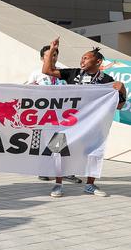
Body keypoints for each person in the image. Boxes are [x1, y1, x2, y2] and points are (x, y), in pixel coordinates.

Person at [42, 38, 127, 198]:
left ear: (98, 61)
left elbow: (119, 106)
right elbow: (47, 71)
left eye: (86, 58)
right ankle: (58, 184)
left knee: (93, 153)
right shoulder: (73, 73)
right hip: (66, 122)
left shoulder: (106, 81)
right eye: (81, 58)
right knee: (58, 151)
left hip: (92, 125)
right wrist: (52, 49)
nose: (82, 61)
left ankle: (90, 184)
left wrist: (122, 90)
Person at [26, 44, 81, 184]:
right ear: (42, 58)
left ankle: (65, 171)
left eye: (55, 54)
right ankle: (44, 170)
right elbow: (26, 91)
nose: (53, 57)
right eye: (49, 54)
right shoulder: (36, 73)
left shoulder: (63, 73)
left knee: (62, 142)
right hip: (44, 115)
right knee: (45, 143)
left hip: (62, 115)